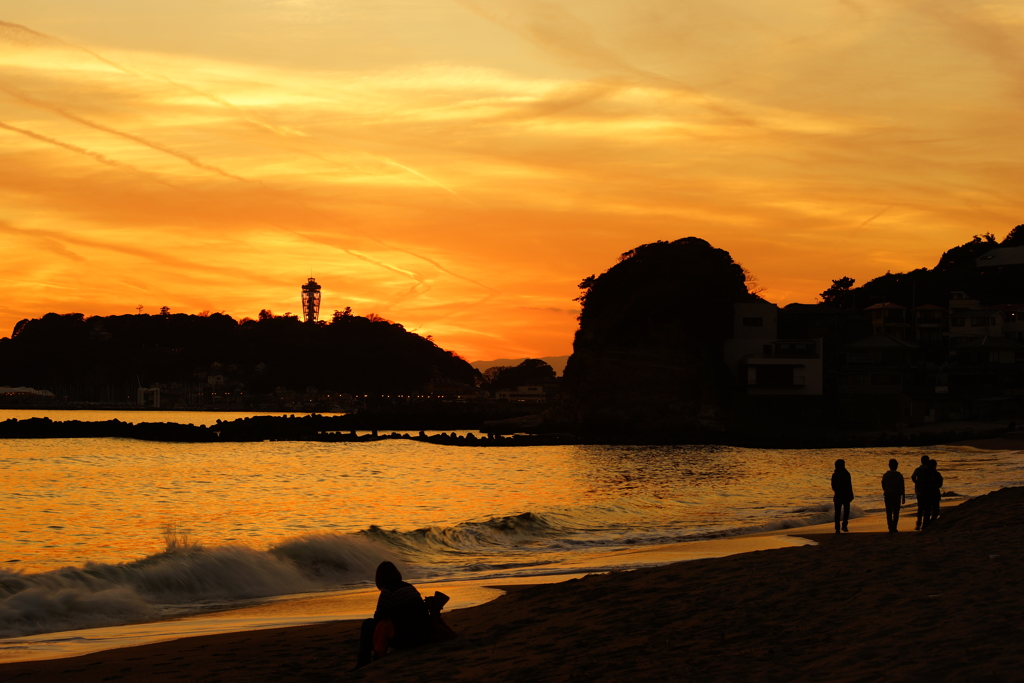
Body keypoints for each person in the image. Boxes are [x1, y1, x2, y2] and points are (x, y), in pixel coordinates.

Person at [356, 561, 435, 668]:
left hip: (407, 639)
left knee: (368, 624)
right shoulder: (409, 586)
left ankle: (363, 661)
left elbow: (379, 617)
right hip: (423, 635)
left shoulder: (389, 591)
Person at [881, 458, 905, 533]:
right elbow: (902, 487)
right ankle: (894, 526)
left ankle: (890, 527)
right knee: (896, 512)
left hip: (888, 495)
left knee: (889, 512)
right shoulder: (899, 475)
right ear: (896, 466)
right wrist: (903, 497)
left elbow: (883, 485)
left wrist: (886, 490)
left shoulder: (885, 475)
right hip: (896, 495)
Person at [831, 459, 854, 533]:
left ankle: (837, 527)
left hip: (838, 495)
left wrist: (837, 491)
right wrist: (851, 494)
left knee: (838, 512)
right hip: (845, 495)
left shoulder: (835, 474)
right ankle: (844, 525)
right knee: (845, 511)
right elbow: (849, 485)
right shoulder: (846, 474)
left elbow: (833, 486)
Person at [911, 455, 931, 530]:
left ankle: (918, 524)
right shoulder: (929, 469)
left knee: (920, 508)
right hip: (928, 490)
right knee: (927, 507)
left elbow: (913, 477)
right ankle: (926, 523)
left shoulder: (918, 469)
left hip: (920, 490)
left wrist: (916, 482)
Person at [922, 458, 944, 528]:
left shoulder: (925, 474)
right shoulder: (936, 474)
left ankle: (926, 525)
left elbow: (921, 484)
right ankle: (930, 524)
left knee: (927, 511)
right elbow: (940, 484)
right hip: (933, 494)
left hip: (927, 494)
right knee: (934, 511)